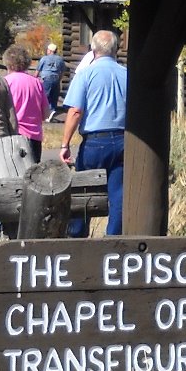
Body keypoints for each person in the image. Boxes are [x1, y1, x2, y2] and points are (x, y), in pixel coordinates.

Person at [58, 29, 127, 236]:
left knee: (84, 191)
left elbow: (76, 111)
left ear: (93, 49)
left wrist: (65, 144)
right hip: (123, 139)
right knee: (118, 195)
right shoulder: (127, 74)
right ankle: (114, 239)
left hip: (95, 141)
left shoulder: (86, 74)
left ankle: (78, 237)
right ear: (116, 49)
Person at [3, 47, 48, 164]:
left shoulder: (5, 82)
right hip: (34, 137)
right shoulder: (37, 83)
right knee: (32, 177)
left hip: (13, 135)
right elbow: (45, 113)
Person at [35, 42, 66, 110]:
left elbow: (38, 69)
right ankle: (52, 110)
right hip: (56, 78)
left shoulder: (44, 58)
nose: (47, 51)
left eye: (48, 49)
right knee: (54, 96)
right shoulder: (60, 59)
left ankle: (44, 111)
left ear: (50, 50)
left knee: (45, 95)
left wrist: (35, 78)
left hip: (47, 78)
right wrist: (60, 78)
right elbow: (63, 70)